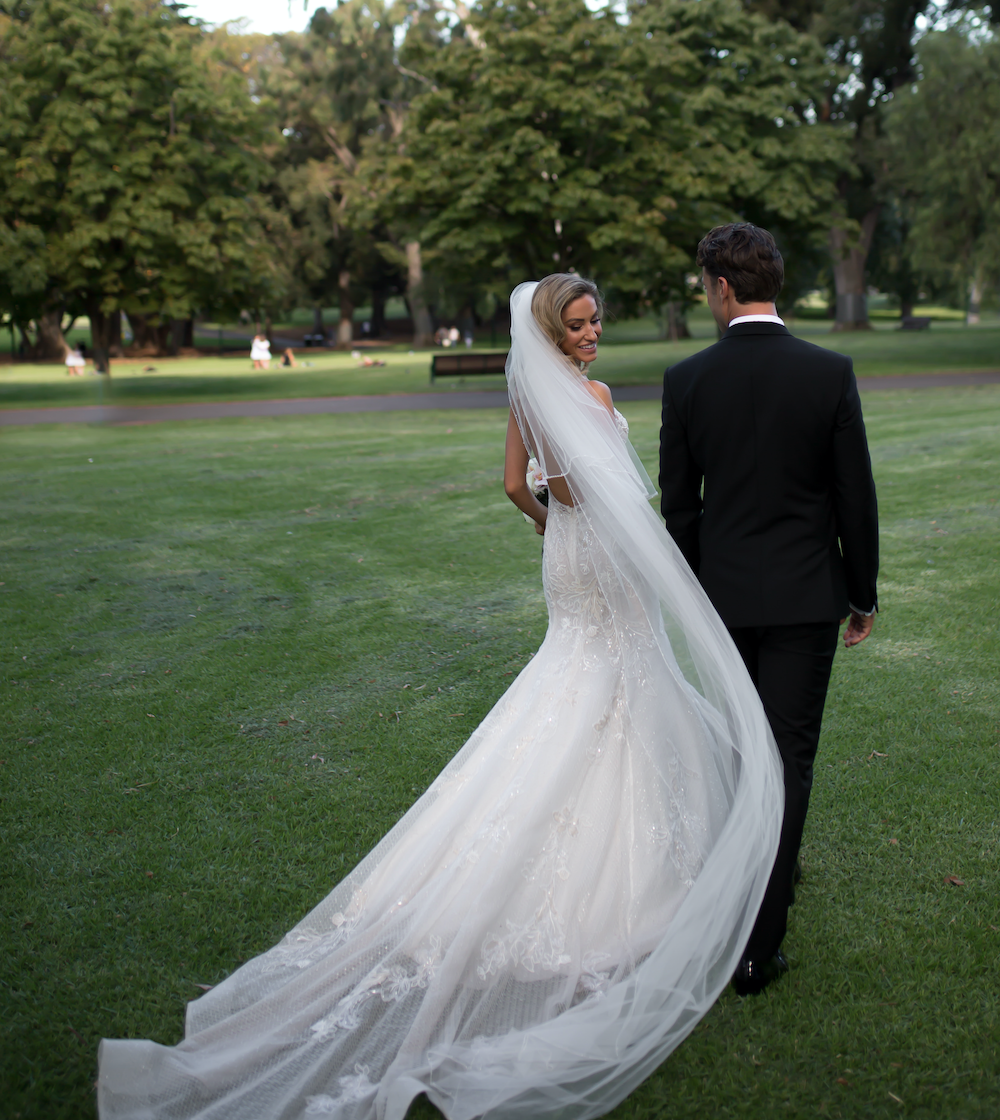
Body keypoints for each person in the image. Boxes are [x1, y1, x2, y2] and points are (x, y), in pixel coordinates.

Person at [97, 275, 783, 1120]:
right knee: (611, 690)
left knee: (575, 685)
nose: (593, 333)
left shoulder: (530, 395)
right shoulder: (585, 396)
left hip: (565, 561)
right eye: (578, 324)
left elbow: (513, 487)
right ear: (553, 332)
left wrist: (547, 523)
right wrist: (599, 527)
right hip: (600, 559)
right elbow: (579, 491)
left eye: (595, 319)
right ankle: (622, 904)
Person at [659, 222, 879, 996]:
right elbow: (855, 494)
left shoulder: (686, 381)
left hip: (723, 601)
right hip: (806, 596)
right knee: (787, 757)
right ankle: (757, 946)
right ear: (771, 282)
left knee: (743, 752)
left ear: (722, 287)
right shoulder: (828, 371)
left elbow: (681, 514)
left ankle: (748, 900)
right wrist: (863, 594)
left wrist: (691, 599)